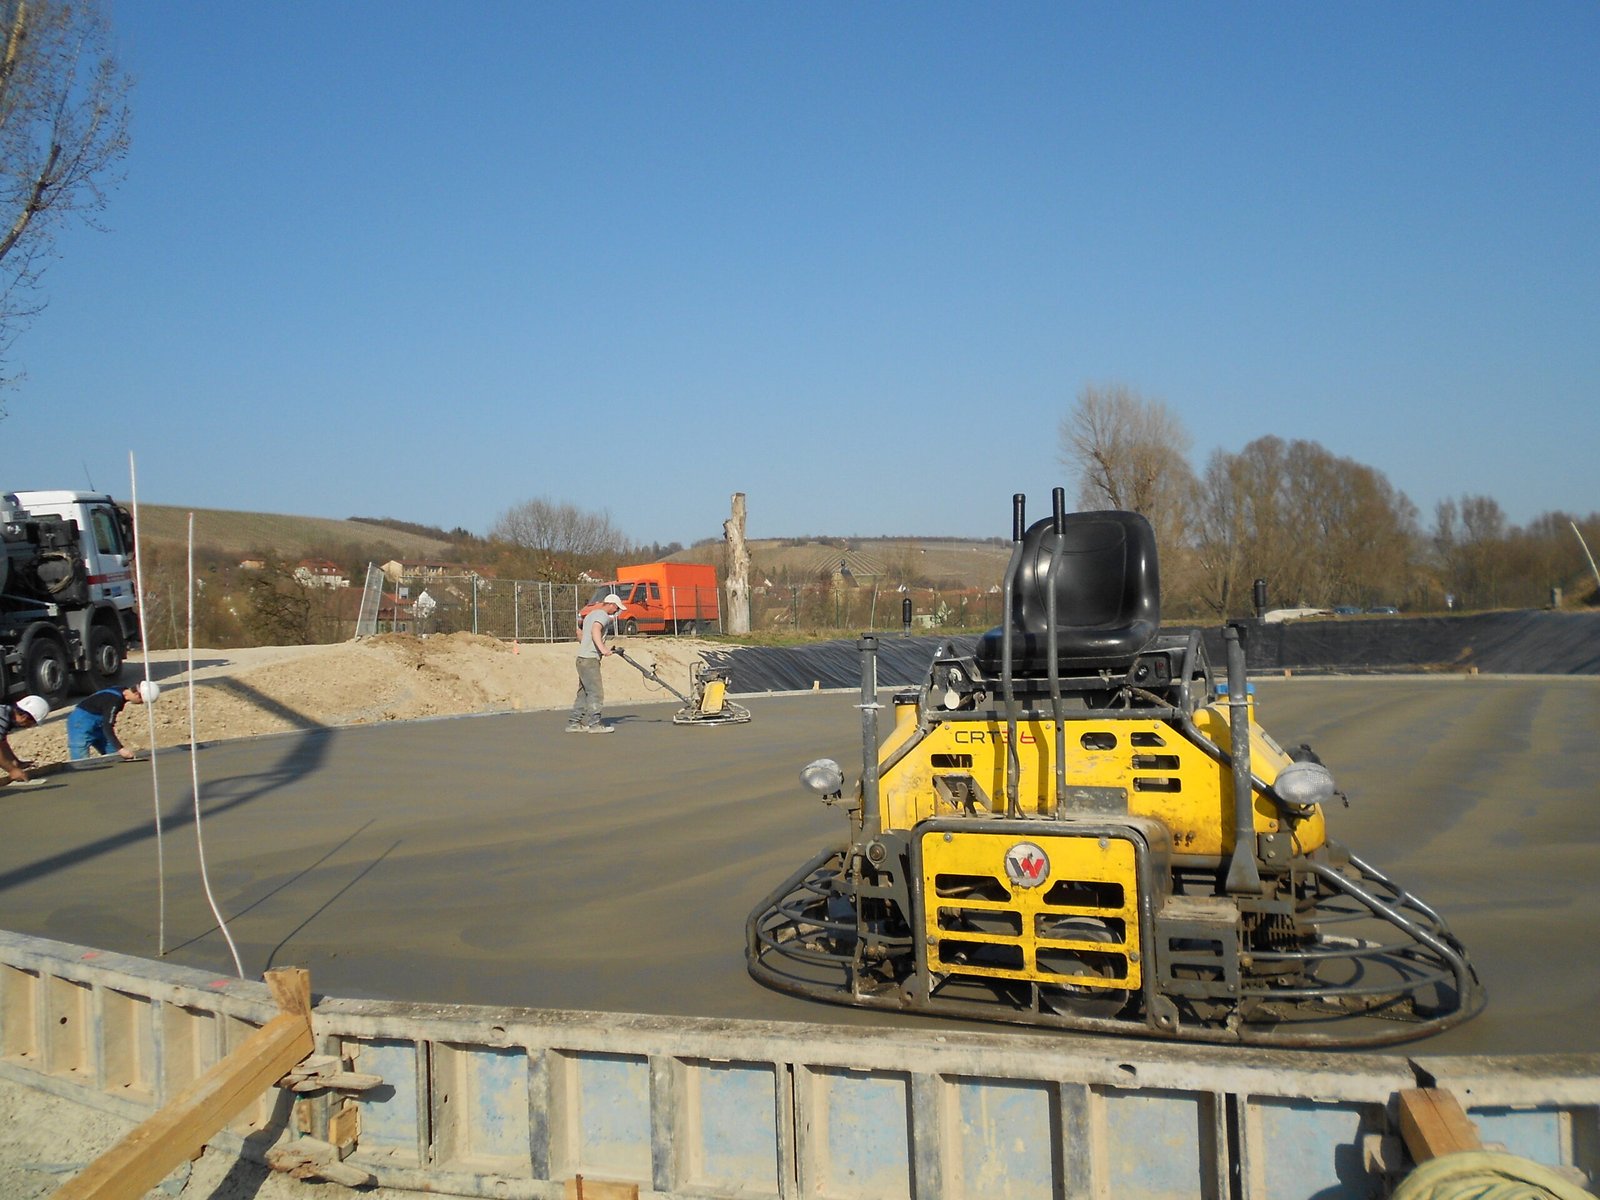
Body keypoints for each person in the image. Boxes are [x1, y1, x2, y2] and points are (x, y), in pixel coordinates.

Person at [568, 593, 626, 733]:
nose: (616, 612)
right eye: (617, 608)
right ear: (611, 605)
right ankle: (594, 724)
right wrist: (603, 649)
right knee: (596, 692)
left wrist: (589, 646)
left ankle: (574, 723)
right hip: (590, 660)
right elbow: (595, 630)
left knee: (583, 693)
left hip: (581, 658)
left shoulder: (590, 615)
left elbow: (580, 633)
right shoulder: (603, 616)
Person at [68, 680, 161, 766]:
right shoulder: (114, 700)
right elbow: (107, 726)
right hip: (80, 723)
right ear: (137, 695)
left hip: (98, 724)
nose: (140, 704)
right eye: (141, 702)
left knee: (114, 755)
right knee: (80, 763)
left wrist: (118, 749)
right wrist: (120, 748)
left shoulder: (121, 690)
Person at [0, 695, 49, 787]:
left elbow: (2, 743)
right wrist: (12, 770)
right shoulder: (2, 717)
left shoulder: (5, 714)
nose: (29, 726)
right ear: (25, 716)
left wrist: (16, 762)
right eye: (30, 723)